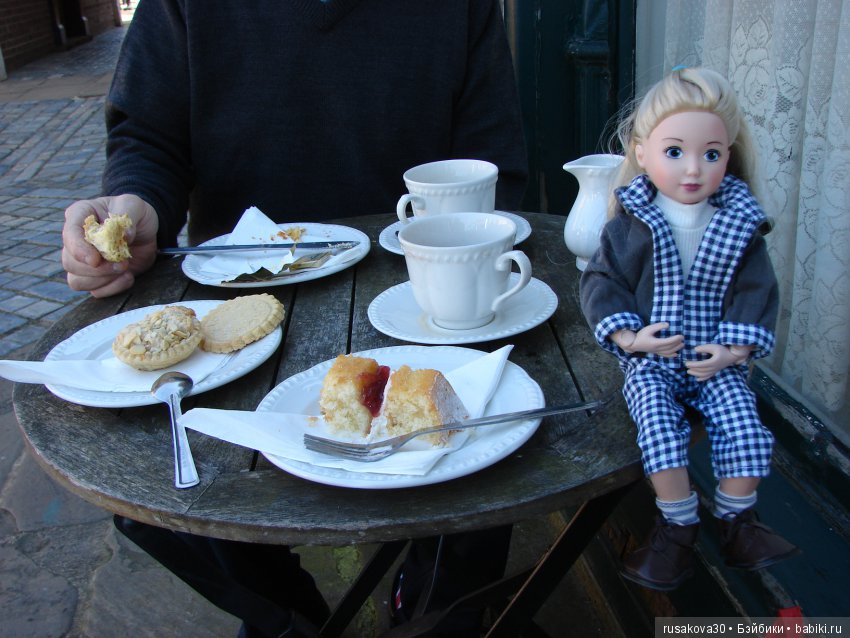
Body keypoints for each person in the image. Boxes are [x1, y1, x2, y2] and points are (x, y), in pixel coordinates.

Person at [61, 1, 528, 636]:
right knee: (147, 488)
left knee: (492, 446)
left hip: (417, 295)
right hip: (238, 300)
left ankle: (436, 609)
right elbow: (150, 135)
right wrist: (138, 202)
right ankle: (293, 619)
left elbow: (493, 155)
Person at [579, 67, 799, 592]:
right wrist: (631, 338)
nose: (694, 169)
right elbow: (601, 281)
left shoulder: (739, 223)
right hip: (652, 359)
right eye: (674, 151)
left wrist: (731, 351)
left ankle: (737, 521)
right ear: (642, 149)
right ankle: (676, 528)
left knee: (744, 424)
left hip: (712, 357)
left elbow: (756, 291)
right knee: (657, 429)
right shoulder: (632, 221)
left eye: (712, 153)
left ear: (729, 155)